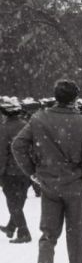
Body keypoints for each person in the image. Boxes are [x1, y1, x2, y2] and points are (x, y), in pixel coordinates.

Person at [11, 80, 82, 263]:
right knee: (76, 237)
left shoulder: (38, 119)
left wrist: (33, 172)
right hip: (75, 186)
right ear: (75, 99)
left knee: (48, 237)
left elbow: (18, 145)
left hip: (49, 184)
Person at [0, 98, 32, 243]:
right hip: (26, 170)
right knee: (19, 200)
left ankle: (24, 232)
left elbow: (2, 154)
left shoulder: (4, 128)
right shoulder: (26, 125)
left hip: (10, 171)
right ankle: (11, 227)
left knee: (13, 202)